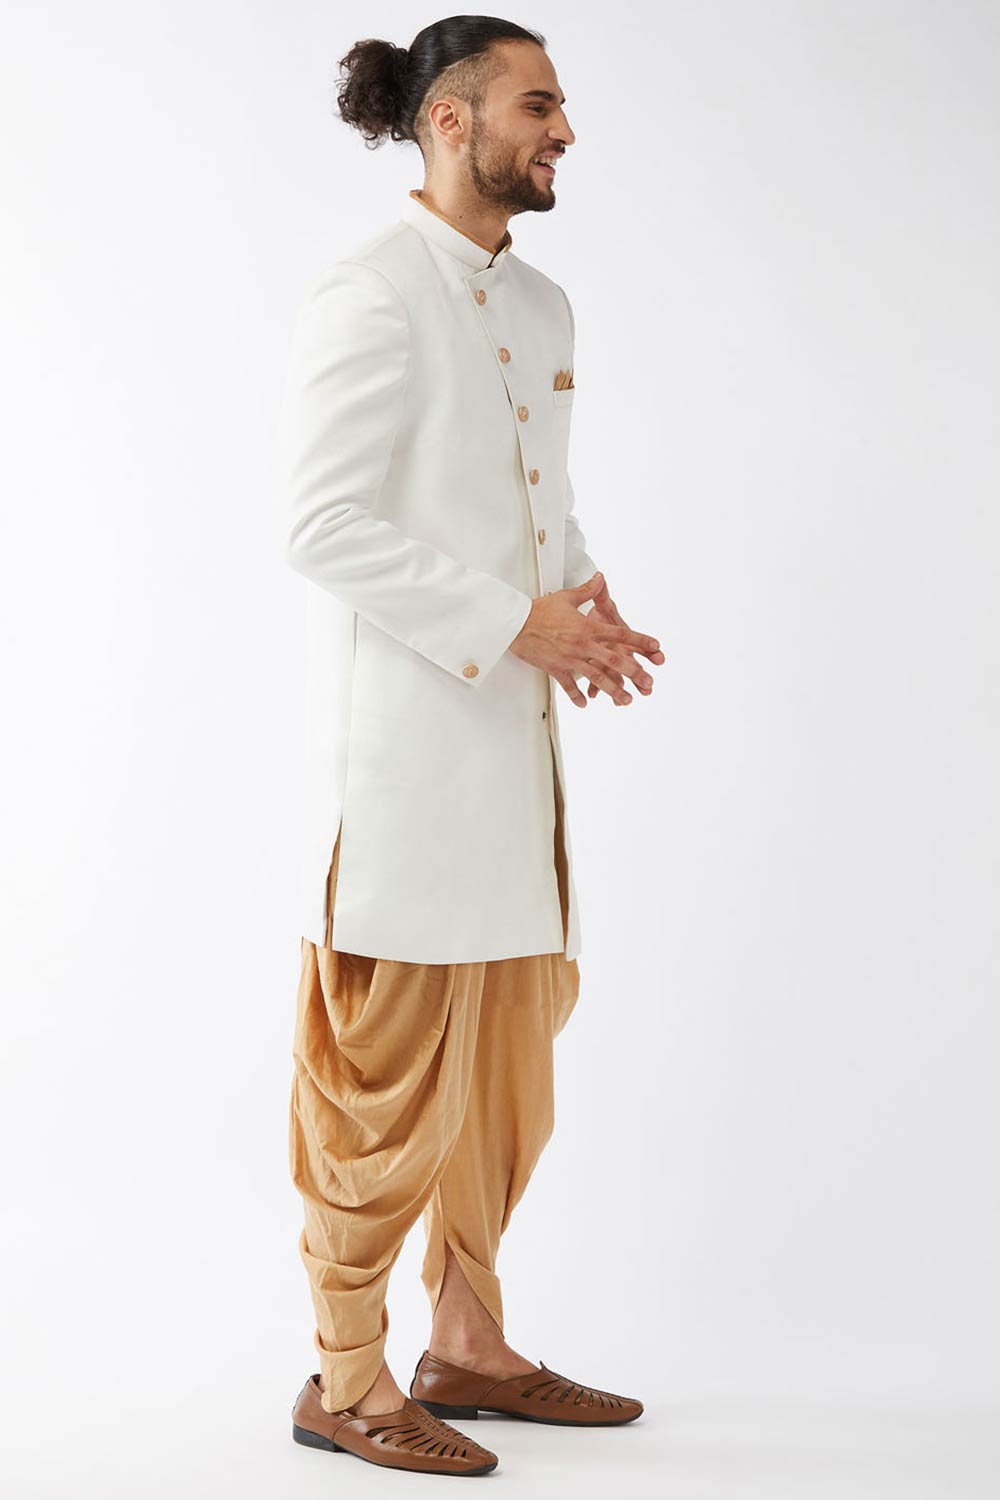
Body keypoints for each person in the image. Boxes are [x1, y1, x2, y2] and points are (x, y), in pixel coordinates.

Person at [279, 15, 664, 1478]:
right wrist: (515, 623)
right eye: (537, 105)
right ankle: (346, 1379)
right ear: (451, 121)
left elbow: (532, 496)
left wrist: (583, 595)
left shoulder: (543, 304)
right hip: (407, 761)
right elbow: (320, 524)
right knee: (378, 1074)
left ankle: (471, 1345)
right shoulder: (370, 291)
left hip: (520, 754)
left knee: (510, 1067)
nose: (563, 131)